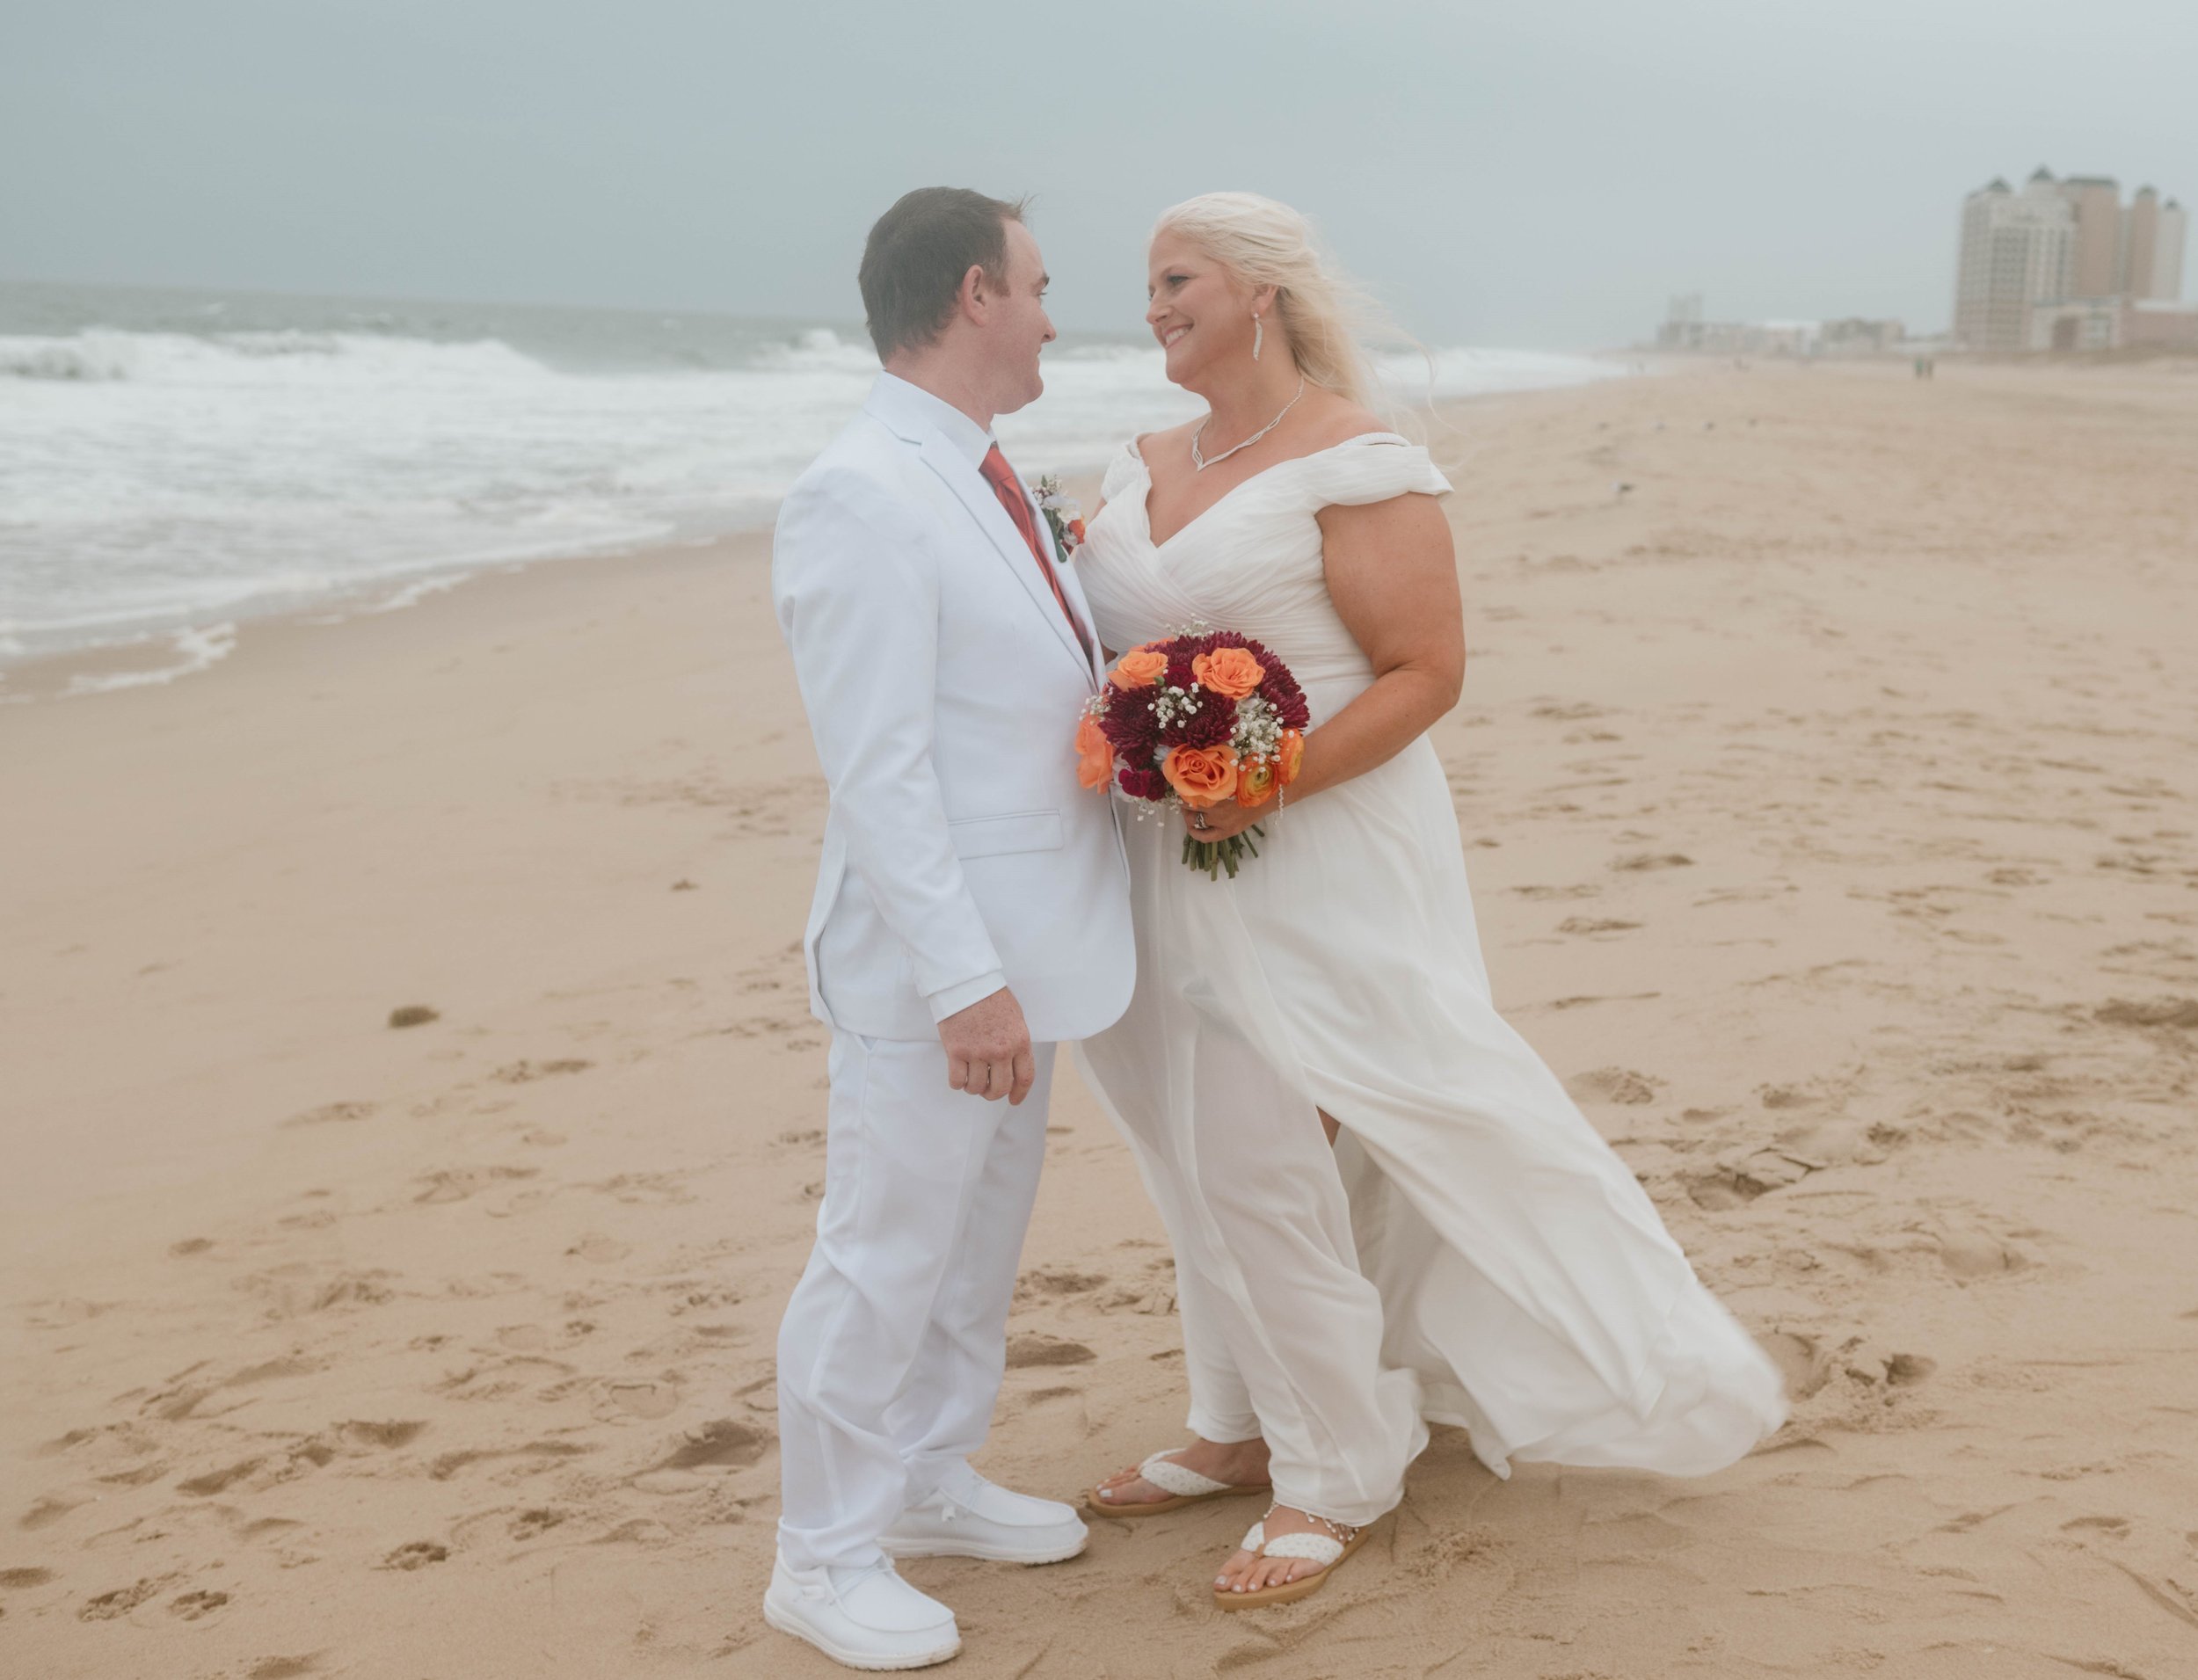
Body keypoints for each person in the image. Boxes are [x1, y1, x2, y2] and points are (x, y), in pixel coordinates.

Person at [1071, 192, 1788, 1611]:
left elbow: (1425, 673)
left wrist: (1267, 785)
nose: (1152, 304)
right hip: (1164, 854)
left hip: (1323, 849)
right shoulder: (1139, 459)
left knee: (1266, 1148)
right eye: (1144, 283)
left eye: (1179, 278)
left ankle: (1337, 1467)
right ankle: (1234, 1418)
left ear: (1261, 292)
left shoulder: (1356, 461)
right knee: (1185, 1143)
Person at [765, 186, 1135, 1670]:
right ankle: (823, 1553)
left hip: (1035, 940)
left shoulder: (983, 474)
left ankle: (927, 1477)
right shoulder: (860, 490)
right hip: (939, 965)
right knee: (884, 1251)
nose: (1055, 315)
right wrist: (964, 982)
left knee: (978, 1247)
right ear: (977, 294)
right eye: (1041, 287)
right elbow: (880, 772)